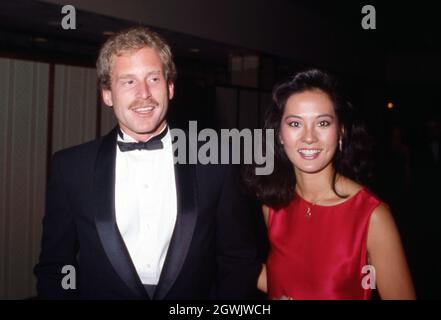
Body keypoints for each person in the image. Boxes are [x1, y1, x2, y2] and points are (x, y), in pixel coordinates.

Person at [34, 26, 261, 299]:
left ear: (171, 87)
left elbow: (237, 259)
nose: (144, 93)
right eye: (128, 81)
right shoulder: (70, 167)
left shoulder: (217, 162)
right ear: (107, 94)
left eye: (153, 79)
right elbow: (56, 267)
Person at [245, 69, 416, 299]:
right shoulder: (274, 205)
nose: (309, 137)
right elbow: (282, 280)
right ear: (279, 135)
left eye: (322, 123)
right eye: (295, 124)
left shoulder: (371, 216)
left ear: (341, 132)